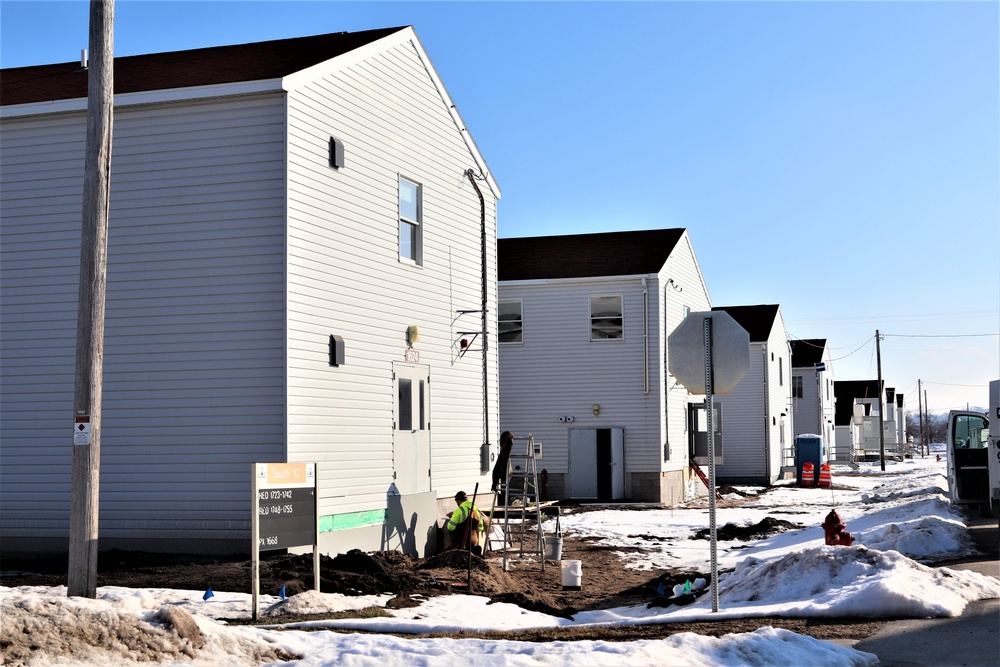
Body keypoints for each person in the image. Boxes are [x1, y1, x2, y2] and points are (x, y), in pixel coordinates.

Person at [446, 490, 486, 556]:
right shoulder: (476, 510)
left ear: (458, 501)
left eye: (457, 502)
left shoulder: (459, 510)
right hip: (474, 541)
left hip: (461, 542)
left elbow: (450, 527)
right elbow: (480, 527)